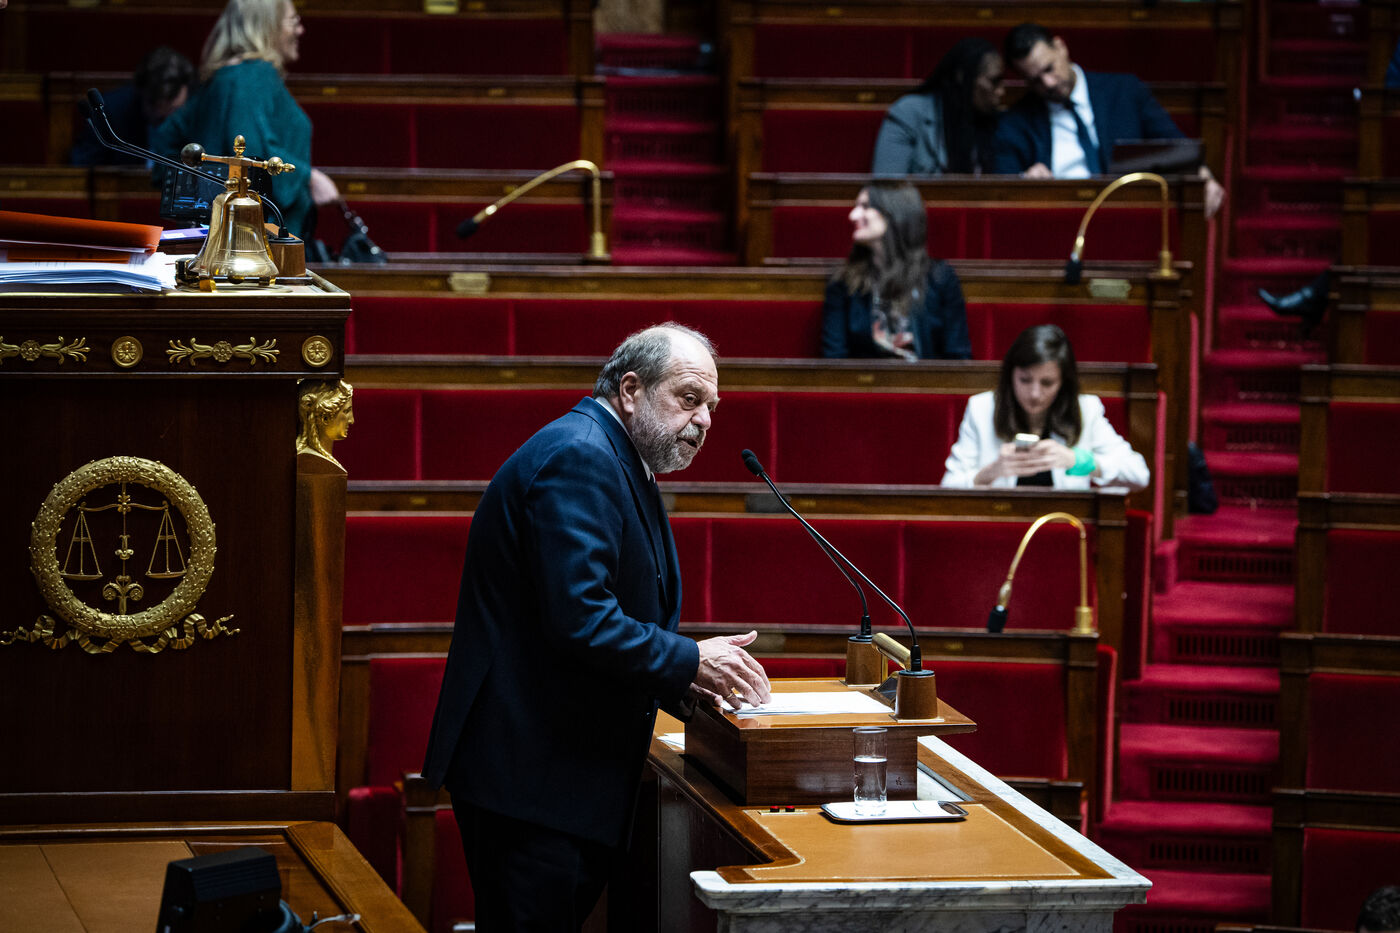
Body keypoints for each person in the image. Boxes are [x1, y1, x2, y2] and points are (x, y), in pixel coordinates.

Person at [421, 324, 772, 931]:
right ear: (631, 390)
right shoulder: (581, 457)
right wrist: (689, 660)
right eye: (689, 399)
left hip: (555, 776)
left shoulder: (616, 456)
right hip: (533, 781)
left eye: (711, 407)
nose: (704, 420)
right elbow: (580, 618)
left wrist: (684, 681)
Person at [993, 22, 1225, 220]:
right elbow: (1001, 189)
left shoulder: (1125, 91)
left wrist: (1201, 175)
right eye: (1035, 80)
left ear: (1061, 47)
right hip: (1059, 222)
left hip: (1131, 217)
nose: (1049, 83)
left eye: (1049, 69)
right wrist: (1025, 182)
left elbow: (1175, 147)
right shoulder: (1015, 122)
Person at [151, 0, 339, 240]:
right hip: (257, 240)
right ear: (267, 24)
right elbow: (250, 156)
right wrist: (309, 178)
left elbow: (167, 137)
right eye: (293, 22)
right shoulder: (252, 76)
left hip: (223, 233)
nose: (300, 30)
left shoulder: (223, 77)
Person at [941, 323, 1149, 490]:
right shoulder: (981, 408)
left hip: (1064, 523)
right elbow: (948, 487)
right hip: (1000, 522)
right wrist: (991, 472)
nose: (1034, 393)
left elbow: (1138, 474)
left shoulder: (1086, 409)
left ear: (1063, 382)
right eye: (1025, 380)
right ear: (1010, 375)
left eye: (1047, 383)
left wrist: (1079, 461)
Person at [822, 181, 972, 360]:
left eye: (865, 206)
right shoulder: (844, 281)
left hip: (924, 378)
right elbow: (834, 360)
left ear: (893, 212)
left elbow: (958, 356)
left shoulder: (940, 278)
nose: (852, 215)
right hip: (864, 378)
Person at [870, 37, 1006, 176]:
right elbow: (887, 184)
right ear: (962, 77)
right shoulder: (909, 112)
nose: (1001, 91)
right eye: (994, 81)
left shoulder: (999, 123)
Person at [70, 47, 194, 166]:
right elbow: (81, 166)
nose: (166, 119)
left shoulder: (197, 110)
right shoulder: (110, 112)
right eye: (154, 105)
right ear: (141, 93)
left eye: (173, 109)